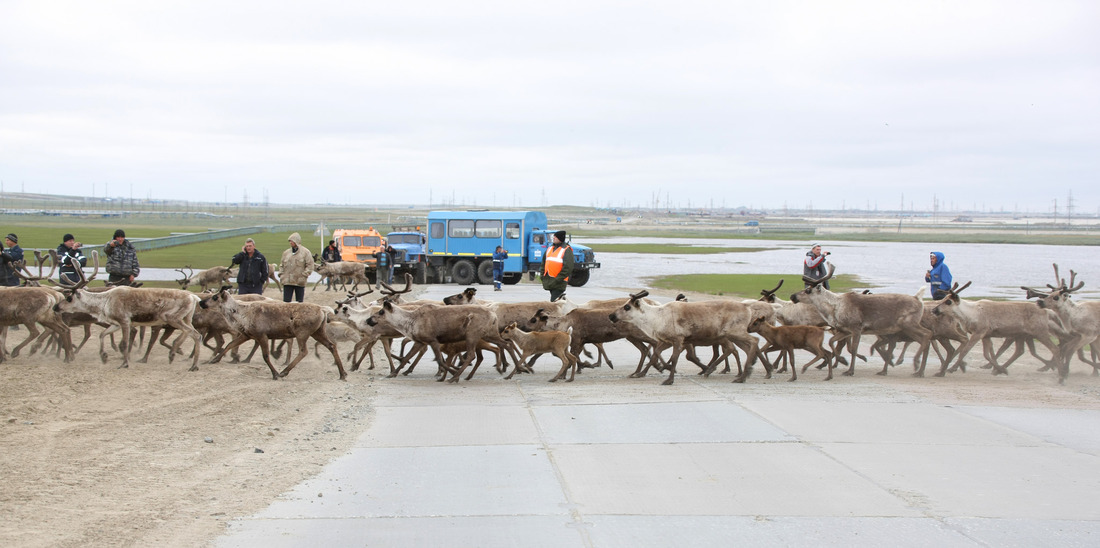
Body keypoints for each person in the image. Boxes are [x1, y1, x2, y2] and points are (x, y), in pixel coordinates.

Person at [279, 232, 313, 303]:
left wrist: (304, 275)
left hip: (299, 282)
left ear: (296, 241)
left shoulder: (306, 252)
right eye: (290, 241)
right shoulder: (286, 253)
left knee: (299, 304)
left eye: (292, 240)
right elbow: (281, 265)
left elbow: (310, 265)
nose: (290, 242)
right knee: (286, 303)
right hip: (287, 282)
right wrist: (281, 275)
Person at [541, 230, 573, 302]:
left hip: (559, 282)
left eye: (555, 237)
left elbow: (568, 267)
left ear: (560, 239)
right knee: (556, 303)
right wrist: (542, 275)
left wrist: (558, 279)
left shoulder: (566, 250)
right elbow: (543, 263)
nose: (553, 238)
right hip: (550, 280)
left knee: (554, 303)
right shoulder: (550, 248)